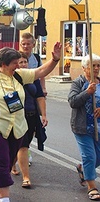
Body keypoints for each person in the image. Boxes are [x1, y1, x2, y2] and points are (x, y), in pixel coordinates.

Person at [0, 44, 61, 202]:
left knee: (8, 161)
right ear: (3, 63)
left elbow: (41, 71)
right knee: (1, 160)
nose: (18, 65)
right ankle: (4, 197)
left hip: (18, 128)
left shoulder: (19, 75)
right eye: (14, 63)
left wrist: (55, 59)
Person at [11, 52, 48, 188]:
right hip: (19, 116)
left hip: (32, 116)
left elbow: (40, 97)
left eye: (24, 62)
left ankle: (12, 163)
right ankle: (26, 177)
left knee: (24, 144)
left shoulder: (34, 78)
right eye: (19, 62)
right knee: (23, 146)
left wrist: (43, 115)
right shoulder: (13, 78)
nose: (23, 64)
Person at [68, 54, 100, 201]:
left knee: (97, 157)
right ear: (84, 68)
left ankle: (82, 168)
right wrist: (87, 92)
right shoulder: (78, 83)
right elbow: (73, 102)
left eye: (98, 65)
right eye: (93, 65)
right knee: (89, 156)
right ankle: (91, 187)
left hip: (98, 127)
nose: (96, 68)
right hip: (82, 126)